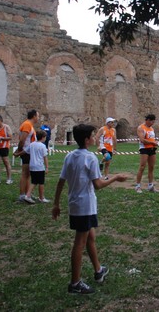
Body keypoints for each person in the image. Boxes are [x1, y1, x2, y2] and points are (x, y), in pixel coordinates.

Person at [52, 124, 128, 294]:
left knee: (90, 237)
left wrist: (56, 204)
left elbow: (60, 182)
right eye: (93, 136)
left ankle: (98, 270)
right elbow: (98, 184)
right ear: (87, 140)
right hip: (84, 205)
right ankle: (75, 283)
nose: (95, 138)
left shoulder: (69, 156)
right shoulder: (90, 158)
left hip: (75, 204)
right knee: (79, 243)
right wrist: (116, 177)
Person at [14, 109, 40, 204]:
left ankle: (27, 194)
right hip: (26, 153)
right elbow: (22, 139)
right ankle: (22, 196)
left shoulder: (29, 125)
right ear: (33, 116)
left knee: (28, 175)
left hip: (28, 152)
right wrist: (20, 150)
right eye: (38, 116)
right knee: (25, 174)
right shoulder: (27, 125)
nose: (38, 118)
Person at [135, 114, 159, 193]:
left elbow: (152, 138)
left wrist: (155, 143)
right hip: (144, 149)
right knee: (142, 167)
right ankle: (138, 186)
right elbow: (142, 140)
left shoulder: (151, 129)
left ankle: (150, 186)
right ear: (147, 120)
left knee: (151, 167)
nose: (152, 123)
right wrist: (153, 142)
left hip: (152, 149)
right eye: (151, 121)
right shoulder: (141, 128)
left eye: (153, 122)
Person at [25, 129, 50, 203]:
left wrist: (18, 153)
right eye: (45, 137)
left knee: (34, 181)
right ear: (42, 137)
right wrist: (47, 167)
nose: (45, 138)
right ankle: (41, 198)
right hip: (39, 167)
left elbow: (26, 151)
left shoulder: (32, 144)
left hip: (32, 166)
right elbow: (45, 157)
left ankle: (28, 195)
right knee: (41, 183)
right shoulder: (42, 146)